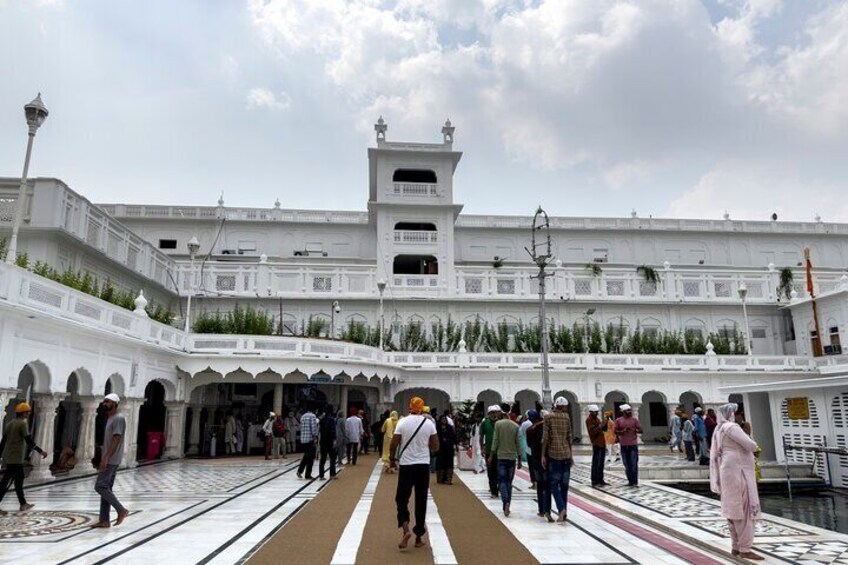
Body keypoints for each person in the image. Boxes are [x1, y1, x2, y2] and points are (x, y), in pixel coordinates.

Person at [710, 403, 763, 561]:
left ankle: (736, 546)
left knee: (732, 508)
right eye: (739, 413)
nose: (740, 417)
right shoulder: (731, 428)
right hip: (738, 471)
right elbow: (751, 445)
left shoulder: (719, 428)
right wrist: (747, 433)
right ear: (733, 414)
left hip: (728, 469)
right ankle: (745, 549)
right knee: (744, 510)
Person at [390, 396, 438, 551]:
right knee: (421, 499)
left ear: (410, 407)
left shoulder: (402, 422)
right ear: (422, 407)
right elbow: (435, 446)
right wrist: (425, 448)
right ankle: (418, 537)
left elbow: (394, 443)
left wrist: (392, 459)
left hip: (407, 465)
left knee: (401, 498)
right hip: (423, 465)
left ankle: (405, 529)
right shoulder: (429, 423)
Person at [0, 401, 48, 515]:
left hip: (10, 457)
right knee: (7, 482)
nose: (29, 414)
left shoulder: (10, 424)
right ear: (23, 413)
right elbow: (28, 440)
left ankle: (23, 504)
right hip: (16, 459)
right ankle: (23, 504)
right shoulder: (22, 424)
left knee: (17, 481)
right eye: (28, 412)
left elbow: (3, 442)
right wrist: (40, 451)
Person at [92, 393, 129, 528]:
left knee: (100, 486)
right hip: (110, 457)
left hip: (111, 458)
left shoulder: (118, 418)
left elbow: (117, 438)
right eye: (104, 402)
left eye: (108, 402)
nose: (105, 404)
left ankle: (121, 510)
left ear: (115, 403)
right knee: (106, 488)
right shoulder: (111, 418)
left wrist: (106, 457)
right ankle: (104, 520)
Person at [542, 396, 573, 522]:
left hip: (553, 454)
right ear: (564, 406)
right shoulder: (566, 417)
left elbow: (546, 438)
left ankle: (561, 509)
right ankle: (564, 512)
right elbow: (569, 437)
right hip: (566, 454)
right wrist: (571, 455)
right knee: (564, 485)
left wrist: (543, 455)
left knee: (554, 484)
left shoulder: (548, 417)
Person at [490, 406, 522, 516]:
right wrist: (520, 459)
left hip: (501, 457)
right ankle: (508, 502)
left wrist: (491, 455)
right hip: (512, 458)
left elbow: (495, 440)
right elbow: (518, 443)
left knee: (502, 481)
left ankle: (505, 502)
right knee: (509, 482)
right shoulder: (515, 425)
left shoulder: (498, 424)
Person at [525, 410, 552, 521]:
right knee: (548, 486)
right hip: (548, 459)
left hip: (536, 459)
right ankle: (548, 510)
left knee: (540, 486)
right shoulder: (547, 428)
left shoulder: (530, 430)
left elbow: (529, 445)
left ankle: (541, 510)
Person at [614, 404, 642, 486]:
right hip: (623, 445)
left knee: (633, 464)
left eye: (630, 410)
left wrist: (633, 429)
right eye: (627, 410)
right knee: (626, 464)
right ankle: (630, 481)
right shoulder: (619, 420)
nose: (629, 412)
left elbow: (641, 430)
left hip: (633, 445)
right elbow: (615, 431)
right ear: (623, 412)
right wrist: (623, 431)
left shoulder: (634, 420)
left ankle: (635, 482)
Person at [480, 405, 501, 497]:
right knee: (491, 471)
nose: (494, 414)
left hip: (500, 451)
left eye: (495, 412)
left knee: (499, 471)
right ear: (488, 414)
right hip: (489, 451)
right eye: (492, 412)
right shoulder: (485, 423)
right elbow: (481, 436)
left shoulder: (500, 422)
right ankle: (493, 491)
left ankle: (500, 487)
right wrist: (482, 447)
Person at [586, 404, 607, 487]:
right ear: (591, 412)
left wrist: (605, 424)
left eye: (597, 412)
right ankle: (594, 480)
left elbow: (603, 429)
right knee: (596, 463)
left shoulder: (597, 419)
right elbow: (593, 432)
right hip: (596, 443)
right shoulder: (589, 420)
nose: (597, 413)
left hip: (601, 443)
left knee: (601, 463)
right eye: (595, 412)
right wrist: (601, 426)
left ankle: (600, 479)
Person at [297, 405, 319, 479]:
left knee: (306, 456)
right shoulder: (312, 416)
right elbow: (313, 428)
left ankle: (300, 471)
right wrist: (315, 437)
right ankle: (308, 474)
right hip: (310, 439)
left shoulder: (302, 416)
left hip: (303, 439)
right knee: (311, 458)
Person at [436, 415, 457, 484]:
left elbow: (454, 437)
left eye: (445, 419)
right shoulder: (437, 428)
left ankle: (448, 479)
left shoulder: (450, 428)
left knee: (449, 464)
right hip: (441, 449)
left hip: (449, 449)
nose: (444, 420)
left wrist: (454, 445)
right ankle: (441, 478)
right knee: (441, 463)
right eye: (442, 419)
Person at [318, 405, 337, 480]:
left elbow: (320, 430)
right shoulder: (332, 420)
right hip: (330, 441)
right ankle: (332, 474)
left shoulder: (321, 420)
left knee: (323, 458)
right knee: (332, 458)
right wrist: (334, 439)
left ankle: (321, 475)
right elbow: (333, 431)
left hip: (323, 440)